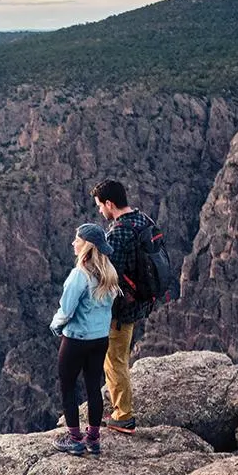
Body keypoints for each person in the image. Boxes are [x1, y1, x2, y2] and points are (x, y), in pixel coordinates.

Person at [91, 180, 157, 434]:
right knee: (119, 355)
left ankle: (123, 416)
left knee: (114, 359)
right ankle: (121, 409)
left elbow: (110, 274)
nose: (100, 212)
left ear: (109, 204)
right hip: (140, 301)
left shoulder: (119, 232)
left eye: (100, 206)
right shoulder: (142, 220)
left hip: (122, 308)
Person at [50, 223, 119, 457]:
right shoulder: (109, 273)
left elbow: (66, 310)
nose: (73, 243)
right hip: (100, 339)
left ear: (86, 246)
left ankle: (74, 439)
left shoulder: (79, 275)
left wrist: (56, 326)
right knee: (93, 387)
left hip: (76, 339)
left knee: (68, 387)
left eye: (77, 240)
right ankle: (94, 439)